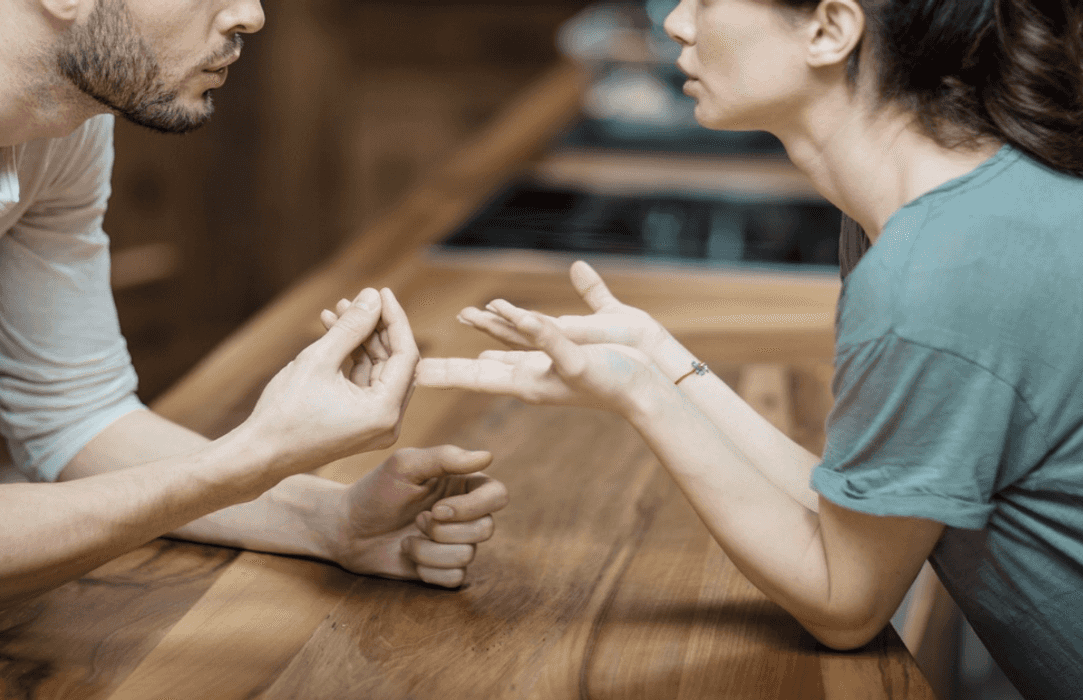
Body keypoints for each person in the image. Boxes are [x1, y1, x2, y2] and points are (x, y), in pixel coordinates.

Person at [418, 0, 1083, 697]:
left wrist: (641, 398)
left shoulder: (928, 274)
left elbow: (844, 601)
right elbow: (854, 517)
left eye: (704, 0)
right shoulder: (949, 206)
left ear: (829, 29)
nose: (676, 23)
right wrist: (660, 360)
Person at [0, 0, 509, 649]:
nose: (251, 14)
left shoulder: (63, 111)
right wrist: (252, 458)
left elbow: (73, 416)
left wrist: (328, 520)